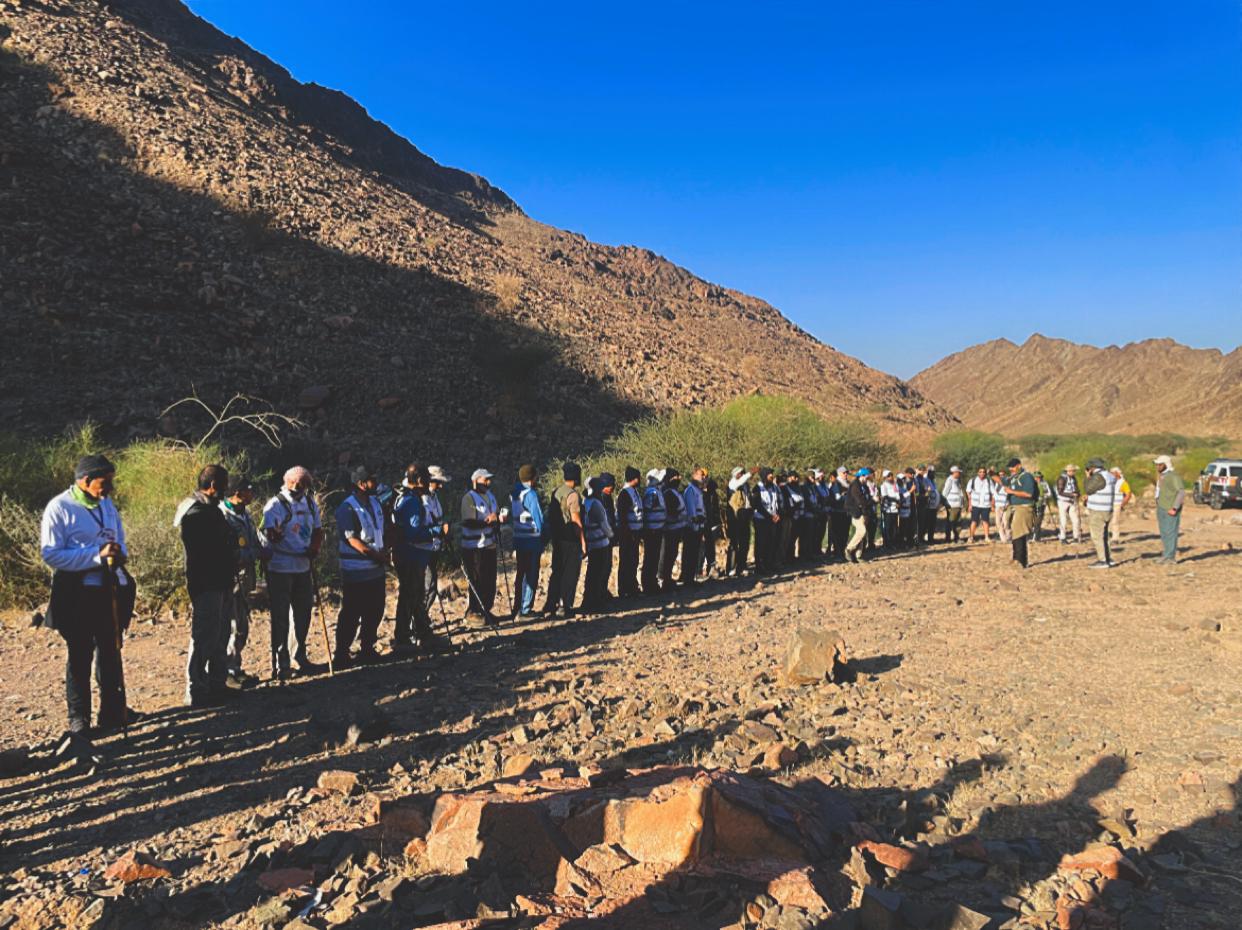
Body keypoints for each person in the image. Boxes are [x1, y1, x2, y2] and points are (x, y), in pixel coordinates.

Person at [40, 454, 135, 746]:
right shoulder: (60, 507)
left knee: (110, 651)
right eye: (104, 483)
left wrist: (118, 554)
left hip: (109, 589)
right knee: (80, 655)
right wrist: (95, 556)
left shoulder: (107, 504)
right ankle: (79, 718)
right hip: (77, 593)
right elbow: (51, 554)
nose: (109, 489)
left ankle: (112, 711)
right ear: (85, 481)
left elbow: (119, 539)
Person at [175, 464, 237, 706]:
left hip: (222, 580)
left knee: (221, 634)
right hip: (206, 583)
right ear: (213, 486)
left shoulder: (212, 510)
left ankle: (217, 684)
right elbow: (205, 550)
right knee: (204, 637)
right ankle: (196, 689)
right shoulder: (195, 513)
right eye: (224, 485)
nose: (226, 489)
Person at [261, 466, 325, 679]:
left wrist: (314, 548)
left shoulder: (310, 503)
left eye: (302, 484)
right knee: (281, 617)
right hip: (280, 566)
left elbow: (318, 531)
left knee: (303, 613)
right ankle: (281, 663)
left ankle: (299, 656)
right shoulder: (275, 505)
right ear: (286, 482)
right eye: (294, 483)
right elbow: (269, 534)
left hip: (303, 565)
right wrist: (275, 535)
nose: (297, 487)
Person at [332, 466, 388, 667]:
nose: (376, 483)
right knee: (352, 612)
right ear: (362, 484)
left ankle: (367, 647)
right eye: (372, 480)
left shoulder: (375, 502)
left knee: (375, 609)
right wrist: (374, 554)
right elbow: (352, 539)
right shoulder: (347, 508)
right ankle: (342, 653)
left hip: (375, 568)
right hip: (356, 569)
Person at [391, 465, 448, 653]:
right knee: (411, 596)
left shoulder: (406, 498)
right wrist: (437, 531)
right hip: (411, 555)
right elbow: (413, 534)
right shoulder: (412, 502)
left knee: (414, 597)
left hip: (408, 555)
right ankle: (403, 639)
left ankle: (422, 635)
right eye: (427, 480)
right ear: (420, 481)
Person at [219, 476, 265, 687]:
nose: (251, 494)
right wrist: (252, 554)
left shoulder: (245, 514)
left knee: (241, 626)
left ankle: (235, 667)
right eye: (248, 490)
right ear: (237, 492)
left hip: (245, 579)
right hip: (231, 579)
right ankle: (226, 672)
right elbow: (229, 552)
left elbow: (254, 540)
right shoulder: (223, 515)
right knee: (231, 625)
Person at [459, 468, 504, 627]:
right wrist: (488, 521)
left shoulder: (490, 496)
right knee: (476, 580)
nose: (488, 483)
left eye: (488, 479)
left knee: (489, 580)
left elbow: (496, 514)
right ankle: (473, 612)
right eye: (485, 480)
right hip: (474, 547)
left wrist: (498, 519)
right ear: (475, 480)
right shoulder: (469, 498)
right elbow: (468, 522)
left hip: (489, 544)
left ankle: (485, 610)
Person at [543, 462, 586, 617]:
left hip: (557, 538)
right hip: (570, 539)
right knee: (570, 573)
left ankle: (550, 604)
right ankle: (564, 606)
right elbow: (576, 521)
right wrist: (583, 542)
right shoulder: (573, 495)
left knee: (557, 571)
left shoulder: (557, 491)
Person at [509, 464, 545, 617]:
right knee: (531, 575)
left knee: (521, 574)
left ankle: (517, 607)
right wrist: (544, 537)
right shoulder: (531, 494)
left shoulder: (515, 492)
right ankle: (525, 609)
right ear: (533, 478)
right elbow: (539, 519)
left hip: (519, 538)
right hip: (531, 540)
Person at [581, 474, 617, 610]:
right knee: (599, 572)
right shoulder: (596, 504)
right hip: (600, 542)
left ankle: (590, 600)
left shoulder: (586, 502)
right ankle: (596, 600)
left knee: (592, 572)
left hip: (591, 541)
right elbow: (604, 524)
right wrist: (612, 536)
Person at [614, 466, 644, 598]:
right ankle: (624, 589)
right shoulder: (625, 493)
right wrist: (628, 532)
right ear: (635, 479)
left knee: (633, 560)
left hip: (635, 532)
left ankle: (632, 586)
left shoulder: (634, 492)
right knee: (626, 560)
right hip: (628, 534)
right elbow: (622, 516)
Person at [1083, 457, 1117, 569]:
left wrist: (1088, 477)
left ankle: (1102, 561)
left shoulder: (1098, 477)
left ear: (1092, 467)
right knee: (1104, 536)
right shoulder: (1110, 476)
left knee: (1097, 536)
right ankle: (1108, 558)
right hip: (1107, 508)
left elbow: (1088, 489)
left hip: (1098, 510)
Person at [1003, 457, 1037, 569]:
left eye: (1013, 467)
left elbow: (1029, 494)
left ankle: (1021, 560)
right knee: (1016, 533)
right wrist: (992, 474)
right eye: (1009, 468)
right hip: (1015, 508)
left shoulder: (1027, 477)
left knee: (1019, 534)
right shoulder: (1013, 477)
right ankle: (1017, 558)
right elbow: (1001, 481)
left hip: (1024, 508)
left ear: (1019, 465)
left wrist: (1011, 492)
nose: (1011, 469)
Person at [660, 467, 688, 590]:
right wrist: (678, 517)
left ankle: (668, 578)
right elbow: (671, 511)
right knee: (668, 554)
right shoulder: (668, 493)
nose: (678, 479)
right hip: (670, 529)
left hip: (677, 528)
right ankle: (665, 579)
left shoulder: (674, 492)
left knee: (673, 553)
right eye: (676, 477)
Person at [1153, 454, 1185, 564]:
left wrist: (1175, 508)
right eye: (1157, 465)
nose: (1158, 467)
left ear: (1166, 464)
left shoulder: (1173, 476)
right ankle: (1166, 555)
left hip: (1170, 508)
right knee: (1164, 533)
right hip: (1161, 507)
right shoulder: (1162, 476)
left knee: (1171, 533)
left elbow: (1181, 492)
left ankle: (1170, 557)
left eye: (1160, 464)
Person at [640, 468, 666, 596]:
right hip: (652, 530)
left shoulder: (656, 491)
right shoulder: (652, 493)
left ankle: (652, 583)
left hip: (656, 528)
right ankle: (648, 585)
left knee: (654, 557)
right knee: (650, 557)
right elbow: (647, 508)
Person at [751, 467, 781, 575]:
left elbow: (776, 502)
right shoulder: (757, 488)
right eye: (769, 475)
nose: (771, 476)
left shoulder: (773, 487)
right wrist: (769, 516)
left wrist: (777, 514)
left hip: (772, 519)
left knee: (771, 542)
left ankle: (769, 564)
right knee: (761, 543)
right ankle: (759, 567)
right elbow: (757, 505)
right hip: (761, 519)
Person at [724, 467, 752, 577]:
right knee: (734, 544)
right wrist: (751, 473)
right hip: (735, 520)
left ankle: (742, 566)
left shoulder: (745, 486)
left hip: (744, 518)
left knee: (745, 543)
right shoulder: (733, 483)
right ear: (736, 474)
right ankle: (731, 568)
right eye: (741, 473)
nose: (743, 474)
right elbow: (741, 481)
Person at [681, 468, 707, 584]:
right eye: (701, 475)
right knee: (689, 552)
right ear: (694, 476)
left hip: (699, 524)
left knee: (695, 552)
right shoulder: (690, 490)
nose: (703, 477)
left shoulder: (698, 490)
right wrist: (695, 522)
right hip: (692, 526)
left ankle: (691, 576)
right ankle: (687, 578)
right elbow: (691, 509)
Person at [844, 467, 872, 563]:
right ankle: (849, 549)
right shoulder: (855, 486)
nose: (868, 479)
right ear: (862, 476)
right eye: (867, 477)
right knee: (862, 531)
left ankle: (858, 555)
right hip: (856, 512)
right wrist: (872, 501)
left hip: (863, 512)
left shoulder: (864, 486)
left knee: (861, 535)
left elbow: (866, 499)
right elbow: (860, 500)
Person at [700, 476, 722, 578]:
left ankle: (709, 568)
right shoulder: (705, 496)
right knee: (705, 547)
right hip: (706, 524)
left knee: (708, 547)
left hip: (710, 524)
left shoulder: (710, 496)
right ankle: (703, 569)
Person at [1055, 463, 1083, 544]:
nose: (1074, 472)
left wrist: (1078, 494)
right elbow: (1060, 492)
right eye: (1073, 471)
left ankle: (1076, 537)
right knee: (1063, 520)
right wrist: (1071, 495)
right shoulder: (1061, 478)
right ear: (1068, 471)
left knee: (1075, 520)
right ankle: (1063, 538)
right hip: (1063, 501)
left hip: (1072, 501)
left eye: (1074, 471)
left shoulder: (1073, 478)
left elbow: (1076, 488)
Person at [827, 467, 850, 560]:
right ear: (839, 473)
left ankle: (843, 551)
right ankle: (838, 553)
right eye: (844, 473)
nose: (846, 474)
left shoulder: (847, 483)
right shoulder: (836, 484)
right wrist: (848, 497)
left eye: (846, 472)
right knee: (838, 534)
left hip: (846, 511)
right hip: (837, 512)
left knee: (845, 533)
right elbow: (837, 498)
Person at [965, 466, 993, 543]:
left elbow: (992, 493)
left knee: (985, 521)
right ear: (978, 473)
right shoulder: (972, 480)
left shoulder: (989, 481)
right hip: (975, 505)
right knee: (974, 521)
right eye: (980, 472)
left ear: (985, 473)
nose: (982, 473)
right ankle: (971, 537)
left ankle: (987, 537)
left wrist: (992, 504)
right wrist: (970, 504)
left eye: (983, 472)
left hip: (986, 505)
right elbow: (968, 492)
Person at [941, 466, 965, 542]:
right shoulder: (950, 480)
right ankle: (948, 538)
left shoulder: (957, 480)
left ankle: (956, 537)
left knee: (958, 522)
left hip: (958, 505)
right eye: (958, 472)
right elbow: (944, 493)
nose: (960, 473)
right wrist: (944, 503)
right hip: (952, 505)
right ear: (954, 472)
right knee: (951, 522)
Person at [1109, 467, 1132, 544]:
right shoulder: (1110, 482)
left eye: (1112, 473)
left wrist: (1122, 504)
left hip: (1117, 504)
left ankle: (1115, 538)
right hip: (1109, 504)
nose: (1111, 474)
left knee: (1115, 521)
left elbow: (1128, 494)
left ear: (1117, 473)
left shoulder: (1123, 483)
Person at [879, 470, 901, 549]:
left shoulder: (895, 484)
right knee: (888, 527)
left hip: (895, 509)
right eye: (889, 476)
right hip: (888, 509)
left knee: (895, 527)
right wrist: (895, 501)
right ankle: (887, 543)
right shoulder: (883, 485)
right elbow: (885, 496)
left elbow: (898, 494)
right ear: (885, 477)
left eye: (891, 475)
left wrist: (899, 502)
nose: (891, 477)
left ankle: (893, 542)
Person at [1031, 471, 1053, 543]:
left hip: (1042, 504)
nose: (1038, 478)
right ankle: (1033, 535)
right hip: (1033, 504)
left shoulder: (1044, 483)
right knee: (1033, 520)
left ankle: (1036, 537)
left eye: (1039, 477)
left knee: (1038, 520)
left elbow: (1049, 493)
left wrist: (1044, 496)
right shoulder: (1031, 484)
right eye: (1036, 477)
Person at [922, 465, 940, 544]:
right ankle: (922, 538)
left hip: (934, 507)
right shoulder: (925, 480)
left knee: (933, 523)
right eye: (931, 472)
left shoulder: (933, 481)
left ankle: (931, 538)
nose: (933, 474)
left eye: (933, 472)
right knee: (926, 523)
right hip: (928, 506)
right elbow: (926, 491)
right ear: (928, 472)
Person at [898, 468, 917, 547]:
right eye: (901, 479)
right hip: (902, 510)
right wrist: (910, 491)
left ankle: (909, 541)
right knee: (902, 527)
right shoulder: (898, 488)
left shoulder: (905, 487)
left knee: (908, 526)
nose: (903, 480)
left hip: (908, 509)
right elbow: (901, 497)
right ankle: (901, 542)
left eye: (904, 479)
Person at [992, 469, 1011, 543]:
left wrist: (1008, 504)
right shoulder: (996, 484)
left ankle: (1008, 537)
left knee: (1006, 522)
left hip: (1006, 505)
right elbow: (994, 495)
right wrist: (992, 504)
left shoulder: (1008, 483)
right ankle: (1003, 539)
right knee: (998, 522)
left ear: (1005, 475)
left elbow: (1010, 494)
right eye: (999, 475)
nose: (1001, 476)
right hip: (998, 506)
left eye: (1002, 475)